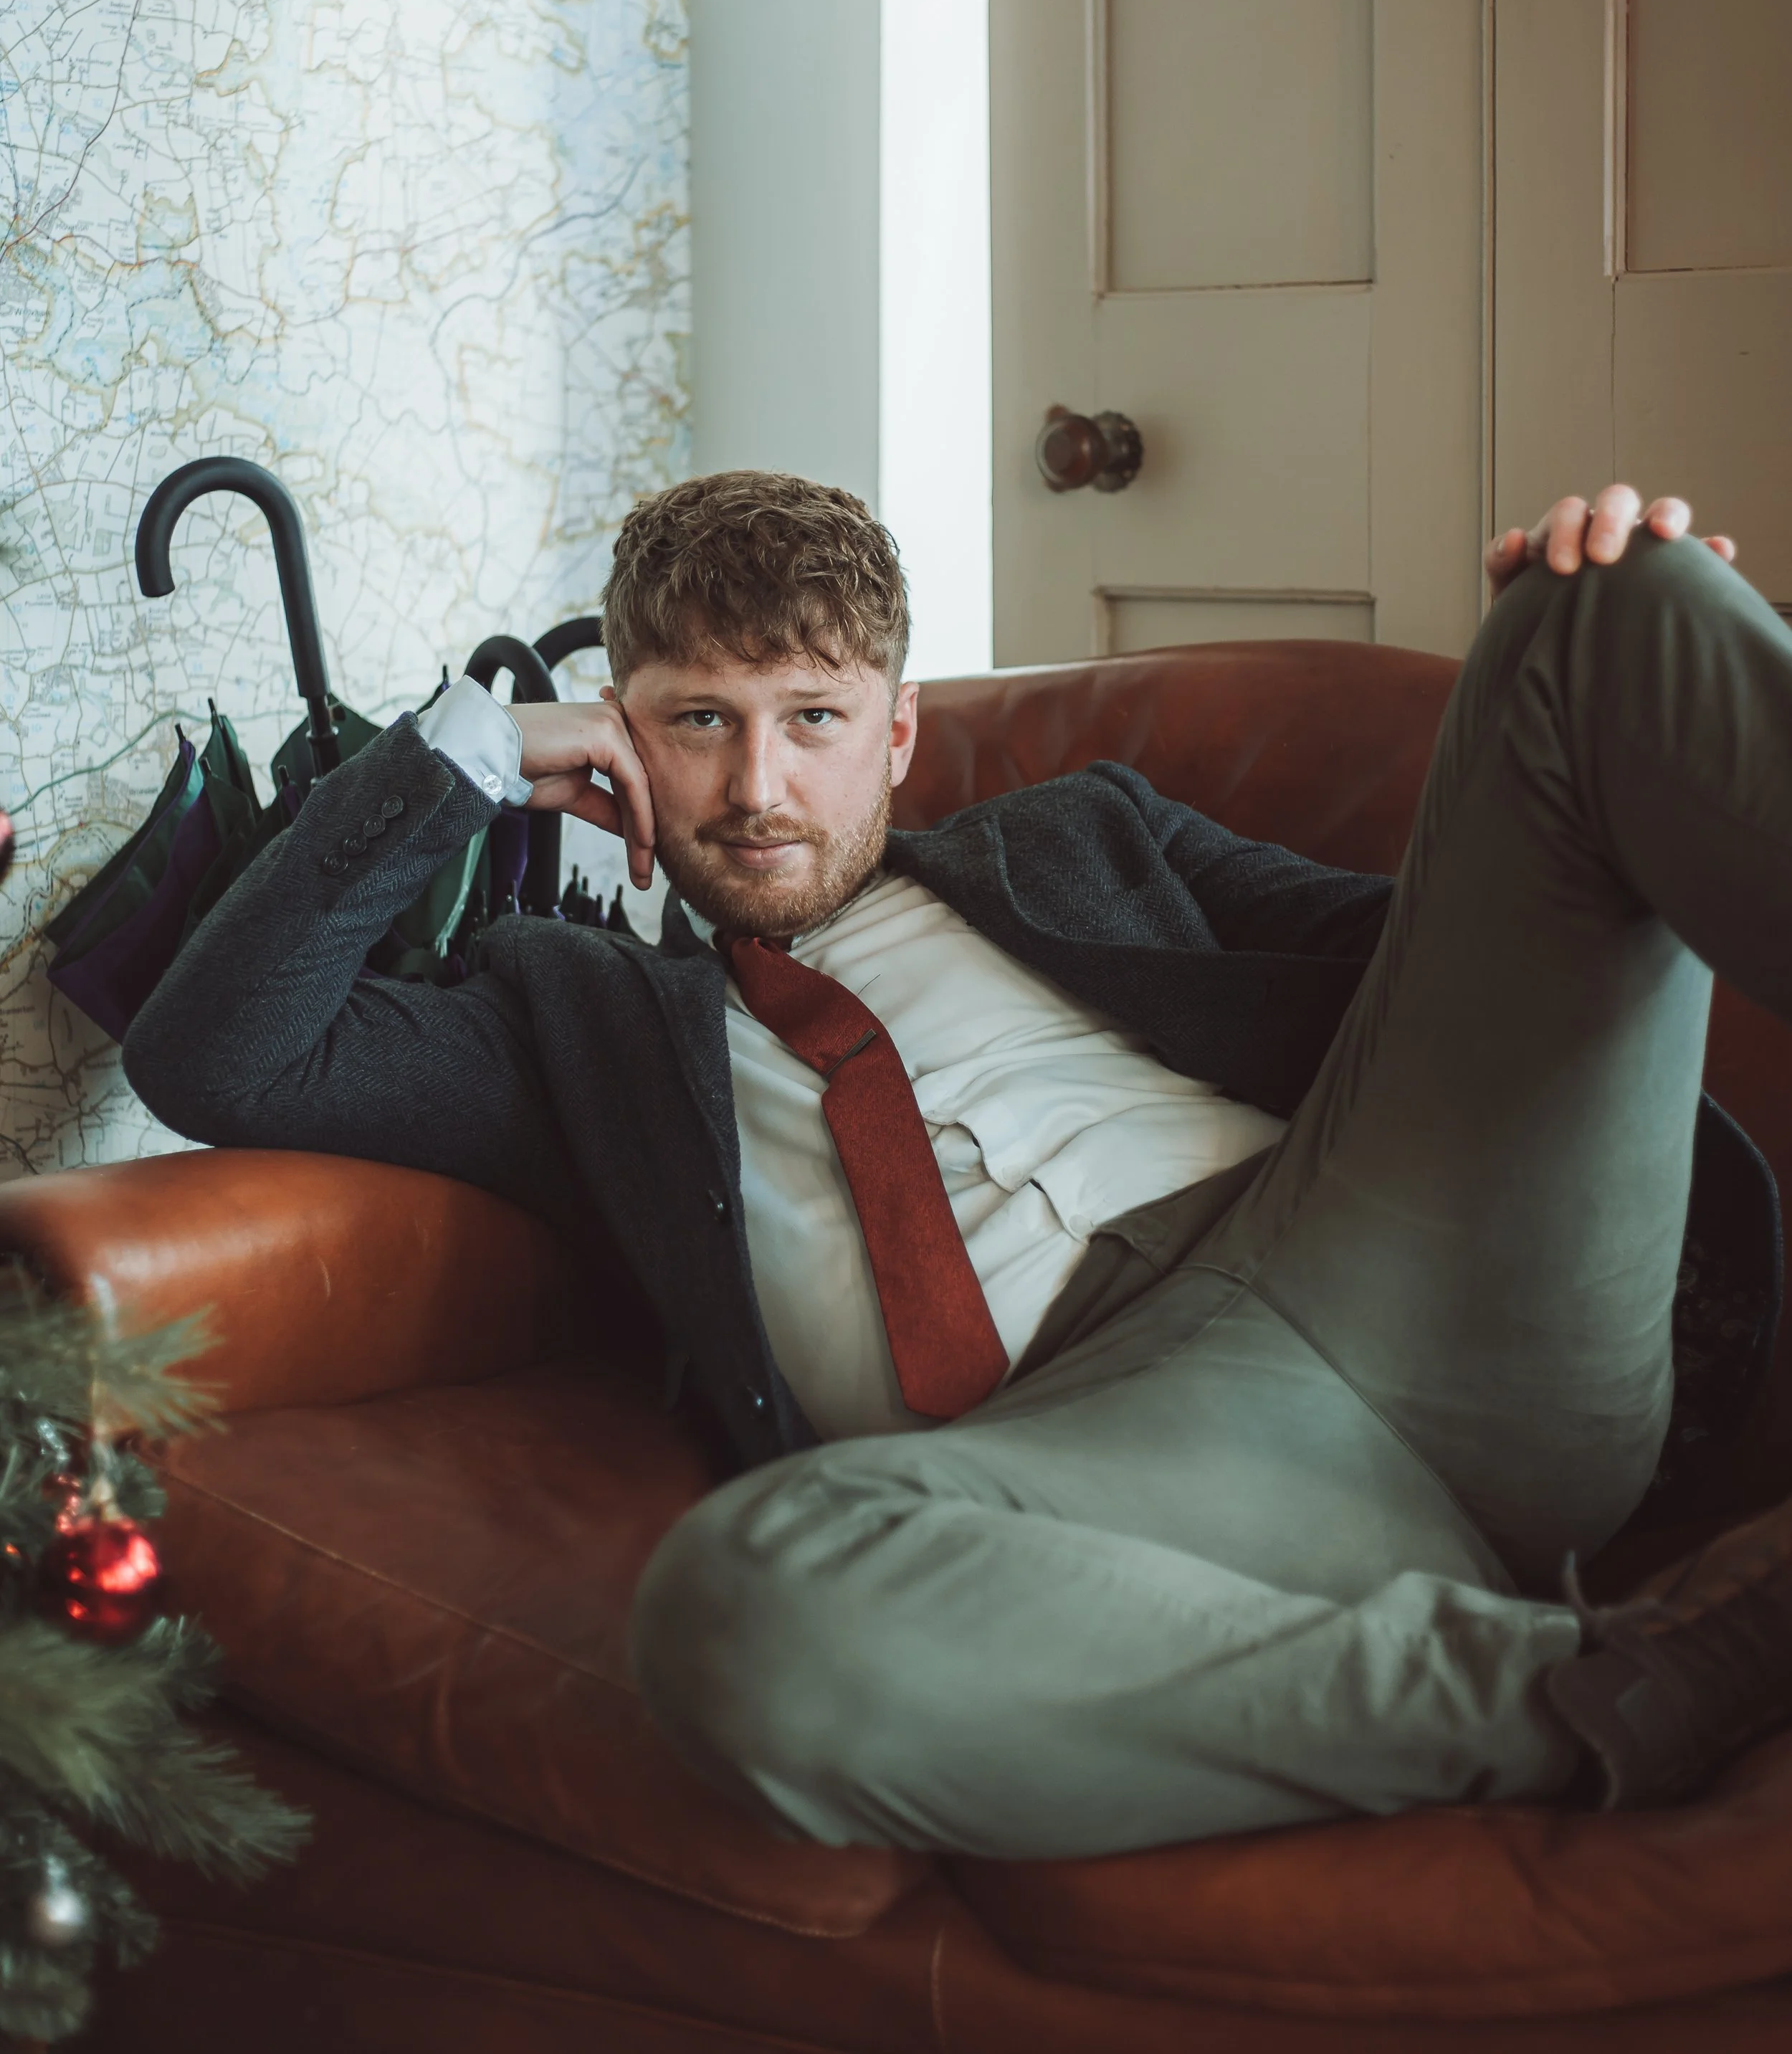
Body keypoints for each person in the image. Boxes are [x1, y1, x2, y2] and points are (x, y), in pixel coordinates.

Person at [124, 470, 1792, 1860]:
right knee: (742, 1608)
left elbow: (1469, 953)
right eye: (697, 720)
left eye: (811, 719)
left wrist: (1635, 678)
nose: (757, 786)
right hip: (1131, 1469)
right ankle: (1599, 1686)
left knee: (1602, 597)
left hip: (1417, 1268)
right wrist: (467, 752)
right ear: (616, 735)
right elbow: (214, 1052)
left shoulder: (1085, 839)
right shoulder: (572, 1035)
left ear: (899, 730)